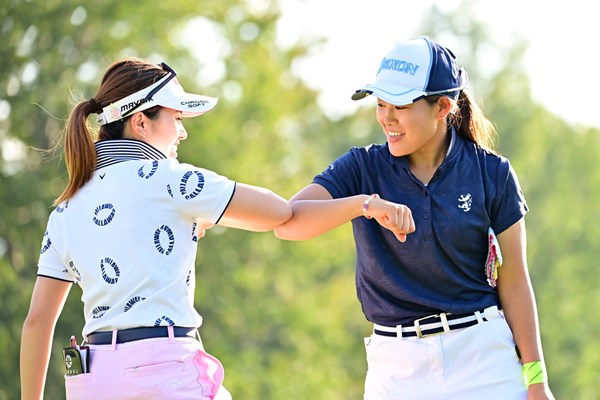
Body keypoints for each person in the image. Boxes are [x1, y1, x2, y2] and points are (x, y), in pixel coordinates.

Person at [274, 36, 555, 399]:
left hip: (482, 358)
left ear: (442, 107)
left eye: (400, 106)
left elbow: (514, 280)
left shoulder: (492, 172)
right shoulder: (362, 167)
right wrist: (365, 205)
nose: (386, 118)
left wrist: (536, 379)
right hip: (395, 368)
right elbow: (289, 223)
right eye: (380, 104)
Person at [20, 58, 291, 400]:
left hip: (92, 380)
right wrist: (208, 215)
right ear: (140, 123)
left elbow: (37, 321)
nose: (183, 131)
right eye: (176, 118)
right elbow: (278, 211)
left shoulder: (65, 208)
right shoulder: (172, 179)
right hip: (162, 375)